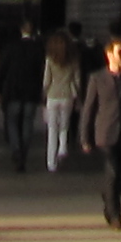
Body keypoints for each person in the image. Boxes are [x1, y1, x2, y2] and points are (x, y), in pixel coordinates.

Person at [78, 34, 121, 227]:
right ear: (108, 55)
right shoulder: (97, 78)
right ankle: (114, 215)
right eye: (119, 53)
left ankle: (108, 195)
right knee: (112, 172)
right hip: (105, 134)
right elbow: (88, 109)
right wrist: (85, 137)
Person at [0, 20, 48, 172]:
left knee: (12, 122)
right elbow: (42, 72)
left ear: (21, 31)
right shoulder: (39, 49)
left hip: (13, 91)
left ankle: (16, 149)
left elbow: (2, 69)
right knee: (27, 123)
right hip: (31, 92)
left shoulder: (11, 48)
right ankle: (23, 154)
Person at [40, 27, 83, 173]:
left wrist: (44, 95)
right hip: (67, 96)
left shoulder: (50, 59)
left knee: (52, 129)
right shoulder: (73, 60)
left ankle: (51, 163)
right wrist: (78, 94)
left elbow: (46, 81)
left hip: (52, 95)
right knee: (64, 126)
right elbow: (77, 80)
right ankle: (63, 147)